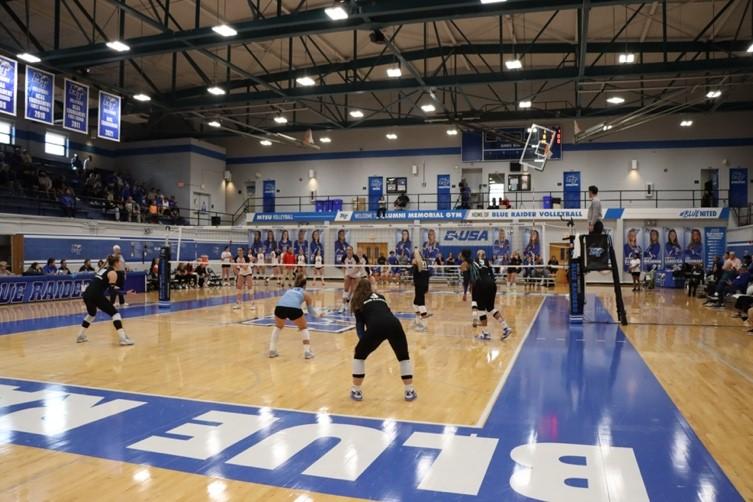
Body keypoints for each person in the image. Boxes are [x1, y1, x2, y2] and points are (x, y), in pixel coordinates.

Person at [349, 278, 417, 402]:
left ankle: (356, 390)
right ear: (370, 287)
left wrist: (363, 342)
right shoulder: (381, 296)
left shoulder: (357, 301)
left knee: (359, 355)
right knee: (403, 357)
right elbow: (386, 312)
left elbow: (360, 325)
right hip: (394, 323)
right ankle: (409, 390)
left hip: (376, 326)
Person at [76, 255, 134, 346]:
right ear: (116, 263)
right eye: (120, 262)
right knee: (115, 314)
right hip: (95, 295)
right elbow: (112, 291)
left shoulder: (103, 269)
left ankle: (80, 336)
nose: (121, 263)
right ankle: (123, 338)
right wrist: (125, 292)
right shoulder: (112, 273)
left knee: (91, 314)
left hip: (87, 294)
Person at [268, 274, 320, 360]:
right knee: (303, 328)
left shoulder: (289, 290)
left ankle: (272, 350)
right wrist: (319, 314)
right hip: (294, 309)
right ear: (305, 285)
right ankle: (307, 352)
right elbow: (311, 311)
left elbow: (285, 301)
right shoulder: (306, 294)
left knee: (278, 327)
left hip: (279, 308)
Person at [470, 249, 512, 340]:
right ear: (484, 256)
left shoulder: (474, 262)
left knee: (481, 309)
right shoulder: (488, 263)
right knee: (491, 308)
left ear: (477, 255)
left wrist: (473, 291)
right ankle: (506, 327)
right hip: (492, 285)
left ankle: (485, 333)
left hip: (481, 285)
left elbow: (474, 278)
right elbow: (493, 276)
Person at [411, 248, 431, 331]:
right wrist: (427, 286)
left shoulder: (416, 263)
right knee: (415, 302)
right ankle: (419, 316)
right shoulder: (425, 262)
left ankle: (423, 315)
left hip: (419, 284)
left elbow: (415, 273)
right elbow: (427, 275)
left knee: (419, 301)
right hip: (423, 284)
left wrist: (413, 264)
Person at [341, 246, 361, 312]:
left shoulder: (355, 257)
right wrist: (345, 274)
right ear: (346, 251)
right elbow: (343, 267)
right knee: (346, 289)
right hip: (348, 274)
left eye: (350, 250)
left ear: (352, 251)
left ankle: (350, 303)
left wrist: (353, 273)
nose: (349, 251)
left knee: (354, 290)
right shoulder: (344, 257)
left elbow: (358, 268)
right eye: (348, 250)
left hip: (355, 274)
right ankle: (343, 305)